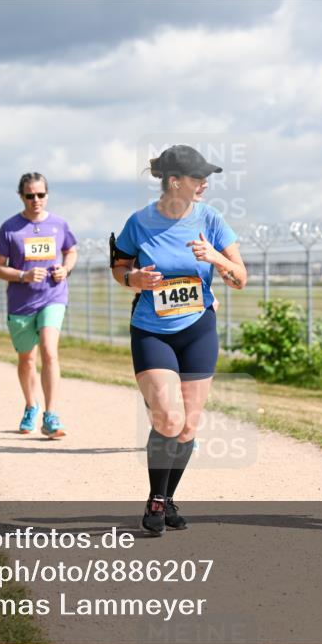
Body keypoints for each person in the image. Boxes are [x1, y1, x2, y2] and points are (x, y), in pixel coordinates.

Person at [110, 145, 247, 536]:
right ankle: (156, 499)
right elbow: (119, 267)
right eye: (197, 177)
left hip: (198, 329)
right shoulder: (139, 222)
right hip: (152, 330)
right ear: (174, 182)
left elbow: (240, 278)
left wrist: (215, 258)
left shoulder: (211, 219)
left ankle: (168, 499)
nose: (205, 183)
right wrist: (133, 279)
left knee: (187, 427)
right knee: (168, 419)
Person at [0, 173, 78, 439]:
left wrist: (65, 269)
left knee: (50, 351)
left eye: (40, 194)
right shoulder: (10, 228)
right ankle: (31, 405)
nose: (36, 200)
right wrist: (23, 275)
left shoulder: (59, 224)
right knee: (27, 359)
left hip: (53, 297)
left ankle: (51, 415)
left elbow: (71, 251)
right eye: (30, 195)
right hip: (21, 303)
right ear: (21, 196)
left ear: (47, 195)